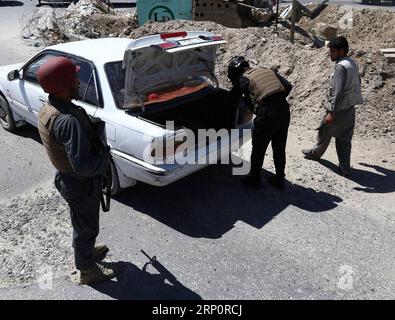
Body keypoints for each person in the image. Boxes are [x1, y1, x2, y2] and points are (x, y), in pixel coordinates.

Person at [37, 56, 117, 284]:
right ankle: (87, 270)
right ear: (63, 85)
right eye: (74, 78)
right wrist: (105, 162)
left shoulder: (50, 108)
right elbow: (84, 166)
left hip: (69, 179)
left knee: (81, 223)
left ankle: (86, 254)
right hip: (80, 183)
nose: (78, 82)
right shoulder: (67, 121)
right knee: (86, 227)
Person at [302, 36, 363, 177]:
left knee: (326, 131)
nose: (330, 54)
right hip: (349, 108)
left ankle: (316, 154)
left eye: (333, 51)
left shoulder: (341, 67)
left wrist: (332, 112)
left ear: (341, 52)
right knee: (344, 138)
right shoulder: (351, 63)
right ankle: (344, 168)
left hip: (338, 109)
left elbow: (338, 91)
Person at [228, 56, 293, 190]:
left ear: (236, 73)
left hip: (268, 114)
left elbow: (232, 98)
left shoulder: (244, 78)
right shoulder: (266, 70)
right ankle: (280, 179)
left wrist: (252, 102)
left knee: (258, 147)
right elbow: (287, 86)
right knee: (279, 146)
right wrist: (275, 99)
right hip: (284, 110)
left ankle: (254, 179)